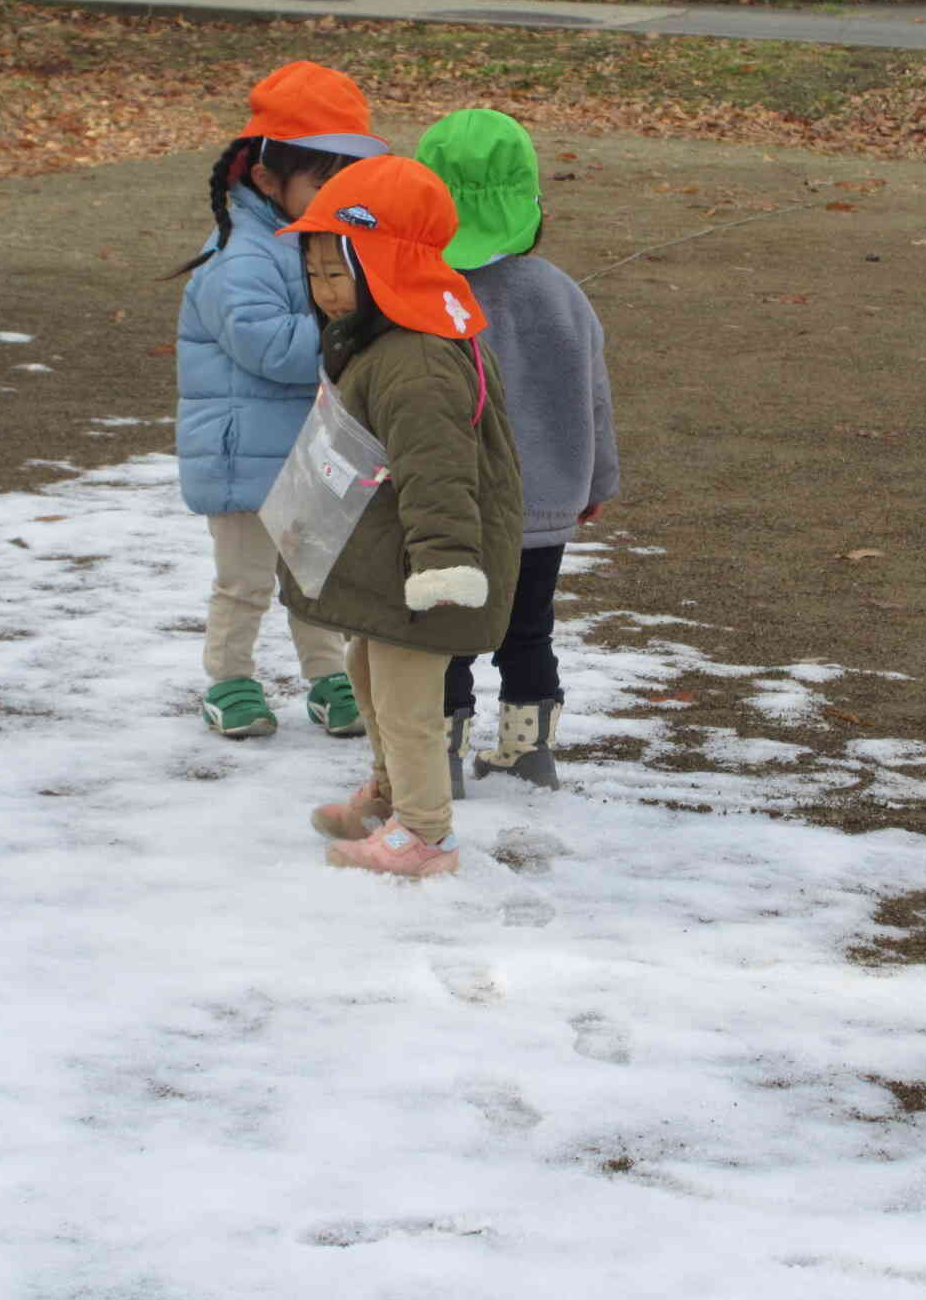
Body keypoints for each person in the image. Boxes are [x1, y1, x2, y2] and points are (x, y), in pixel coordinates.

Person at [276, 155, 524, 878]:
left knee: (409, 702)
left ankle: (425, 834)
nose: (325, 292)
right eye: (315, 272)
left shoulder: (415, 359)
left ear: (386, 266)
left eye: (338, 271)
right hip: (389, 560)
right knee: (368, 672)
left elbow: (439, 473)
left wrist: (443, 564)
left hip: (429, 566)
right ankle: (389, 794)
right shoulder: (381, 339)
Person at [172, 61, 389, 740]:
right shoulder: (239, 254)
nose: (338, 193)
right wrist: (354, 327)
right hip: (244, 460)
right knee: (244, 582)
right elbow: (265, 345)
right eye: (325, 180)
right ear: (267, 177)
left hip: (307, 450)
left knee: (315, 574)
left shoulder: (318, 237)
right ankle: (230, 679)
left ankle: (328, 679)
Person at [413, 109, 619, 797]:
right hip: (544, 504)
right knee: (529, 631)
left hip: (453, 508)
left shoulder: (420, 299)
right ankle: (530, 752)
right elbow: (594, 396)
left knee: (445, 633)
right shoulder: (562, 294)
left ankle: (437, 758)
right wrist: (594, 481)